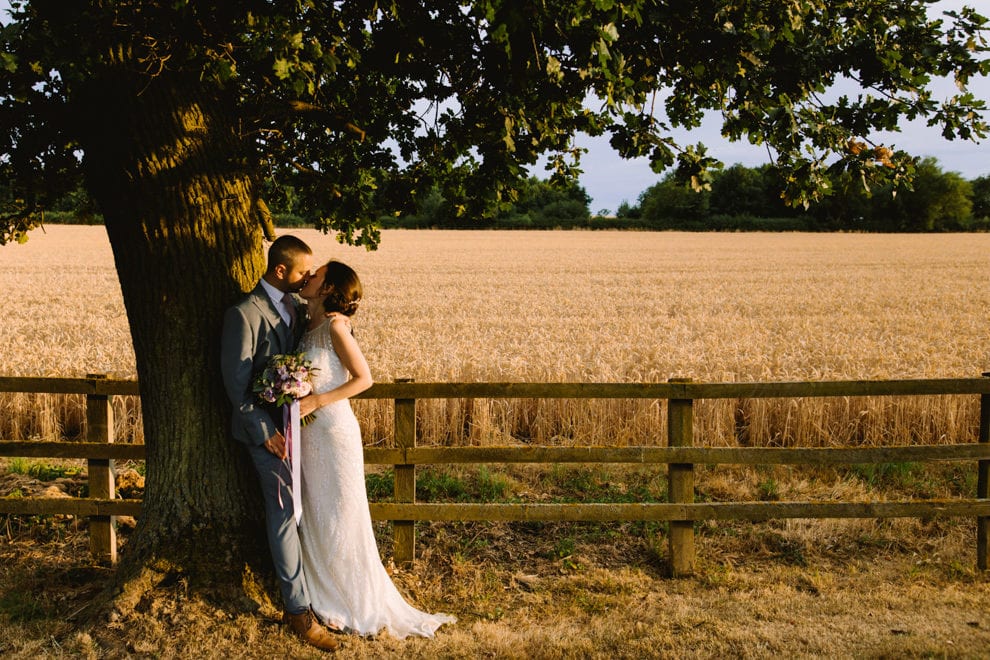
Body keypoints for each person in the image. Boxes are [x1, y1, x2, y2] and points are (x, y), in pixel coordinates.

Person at [296, 260, 456, 638]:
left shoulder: (336, 326)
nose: (308, 277)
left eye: (315, 274)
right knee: (315, 512)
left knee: (340, 513)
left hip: (333, 432)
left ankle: (349, 600)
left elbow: (364, 379)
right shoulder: (305, 324)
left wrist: (319, 402)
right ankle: (321, 592)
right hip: (306, 434)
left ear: (328, 287)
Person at [220, 235, 340, 652]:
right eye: (305, 272)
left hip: (301, 430)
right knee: (286, 512)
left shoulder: (298, 308)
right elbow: (236, 387)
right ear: (280, 271)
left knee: (312, 508)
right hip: (267, 436)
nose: (310, 278)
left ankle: (325, 594)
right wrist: (265, 433)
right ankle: (297, 611)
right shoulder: (243, 314)